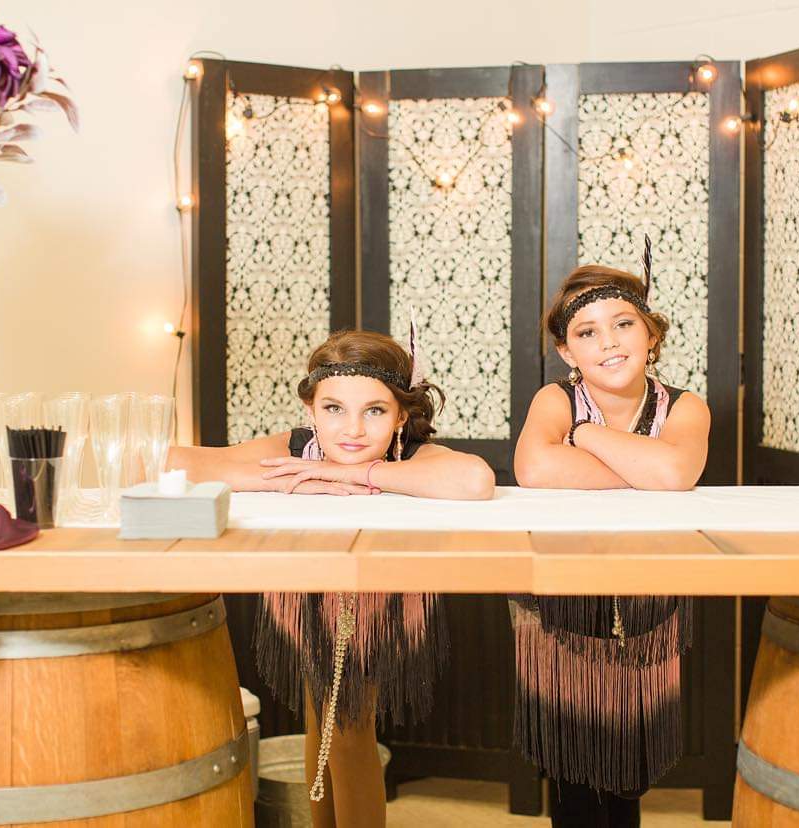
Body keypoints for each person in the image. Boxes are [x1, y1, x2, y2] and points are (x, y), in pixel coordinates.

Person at [170, 328, 495, 828]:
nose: (353, 430)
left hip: (375, 606)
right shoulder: (298, 448)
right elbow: (176, 461)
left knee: (346, 729)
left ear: (400, 415)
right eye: (334, 409)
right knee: (320, 725)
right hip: (308, 599)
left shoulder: (410, 453)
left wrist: (355, 474)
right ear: (311, 410)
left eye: (375, 410)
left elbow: (474, 480)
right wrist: (288, 479)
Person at [512, 256, 710, 827]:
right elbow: (535, 468)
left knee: (628, 768)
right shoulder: (555, 400)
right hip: (563, 607)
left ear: (651, 335)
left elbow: (674, 474)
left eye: (624, 324)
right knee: (573, 767)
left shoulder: (684, 406)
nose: (609, 342)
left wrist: (584, 436)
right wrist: (643, 468)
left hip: (648, 608)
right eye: (587, 332)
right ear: (567, 353)